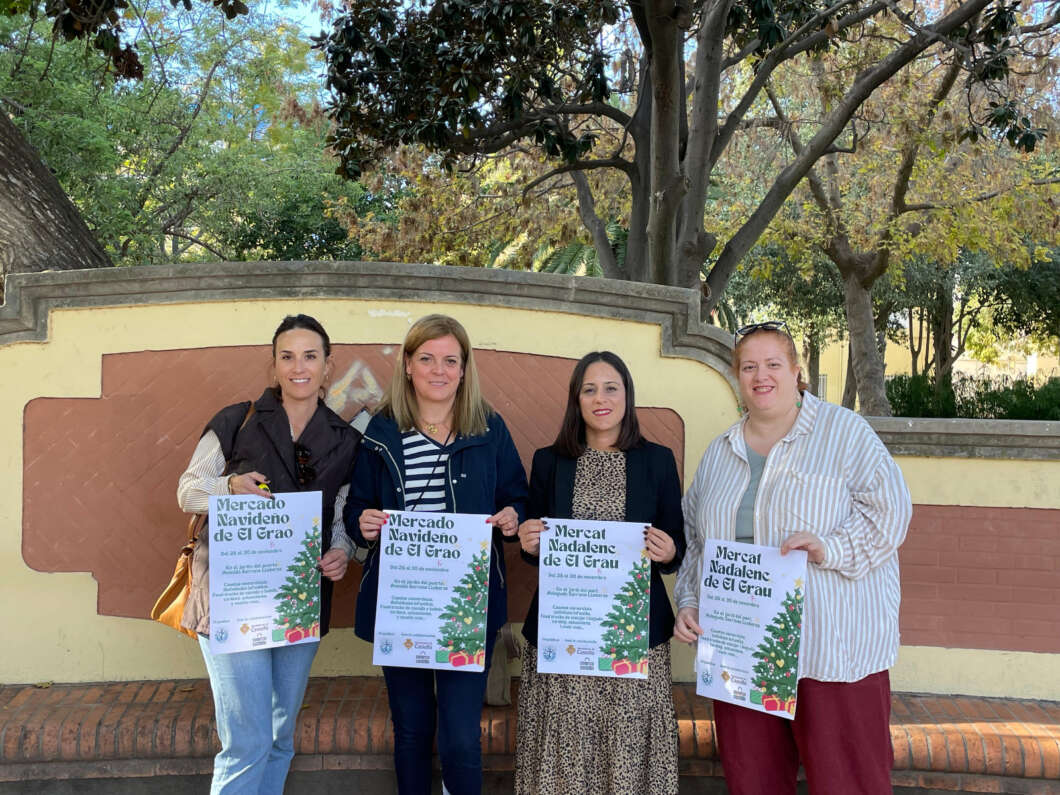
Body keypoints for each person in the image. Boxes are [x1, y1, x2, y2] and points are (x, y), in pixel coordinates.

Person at [673, 320, 912, 795]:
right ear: (737, 377)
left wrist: (831, 546)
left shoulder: (844, 433)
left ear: (796, 371)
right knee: (753, 782)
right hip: (742, 653)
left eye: (773, 364)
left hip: (832, 652)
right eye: (749, 367)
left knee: (848, 784)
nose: (761, 376)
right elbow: (698, 541)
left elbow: (892, 513)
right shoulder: (720, 453)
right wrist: (690, 602)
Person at [176, 314, 361, 795]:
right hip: (232, 598)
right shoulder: (236, 421)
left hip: (299, 599)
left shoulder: (345, 439)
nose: (298, 366)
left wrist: (341, 552)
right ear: (273, 365)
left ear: (327, 366)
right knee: (245, 740)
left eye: (310, 356)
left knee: (280, 737)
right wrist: (228, 487)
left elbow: (342, 515)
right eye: (287, 356)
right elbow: (188, 491)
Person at [345, 313, 528, 795]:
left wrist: (510, 516)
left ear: (465, 369)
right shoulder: (381, 431)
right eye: (426, 358)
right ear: (408, 365)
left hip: (468, 605)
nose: (439, 370)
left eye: (451, 360)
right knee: (411, 731)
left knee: (462, 737)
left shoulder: (488, 428)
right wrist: (361, 524)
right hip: (403, 602)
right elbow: (358, 507)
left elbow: (518, 496)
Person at [515, 351, 685, 795]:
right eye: (589, 389)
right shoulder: (550, 461)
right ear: (576, 400)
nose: (600, 398)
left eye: (611, 387)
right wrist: (530, 542)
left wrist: (667, 552)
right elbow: (537, 547)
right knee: (566, 748)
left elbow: (677, 545)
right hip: (566, 632)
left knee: (627, 750)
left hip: (634, 636)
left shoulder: (658, 461)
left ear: (627, 396)